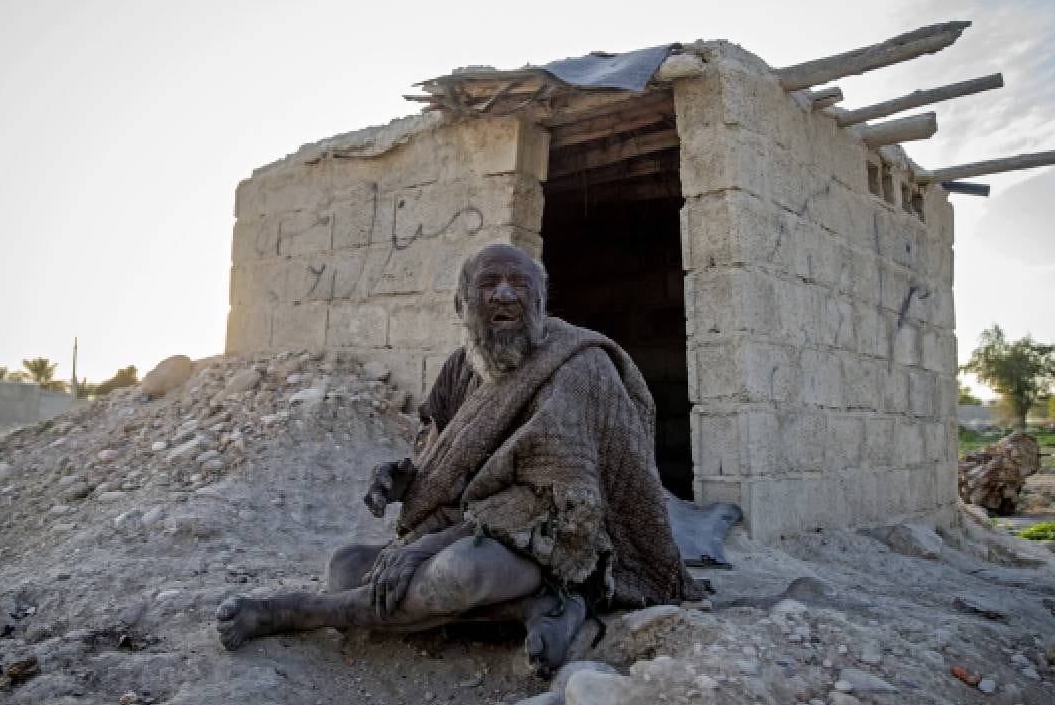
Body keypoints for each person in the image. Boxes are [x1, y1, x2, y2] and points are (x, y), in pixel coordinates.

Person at [216, 243, 702, 675]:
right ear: (462, 302)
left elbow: (557, 510)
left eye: (520, 285)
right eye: (489, 284)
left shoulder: (576, 366)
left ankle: (300, 612)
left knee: (457, 574)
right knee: (344, 566)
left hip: (553, 546)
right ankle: (536, 608)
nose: (506, 295)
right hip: (472, 531)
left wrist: (422, 549)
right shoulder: (462, 366)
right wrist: (399, 479)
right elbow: (441, 455)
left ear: (539, 300)